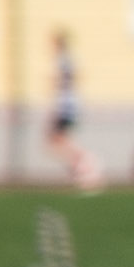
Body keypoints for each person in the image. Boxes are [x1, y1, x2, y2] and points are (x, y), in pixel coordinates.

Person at [44, 28, 99, 195]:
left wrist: (57, 86)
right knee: (57, 141)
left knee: (58, 140)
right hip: (66, 105)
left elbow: (69, 79)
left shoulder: (64, 60)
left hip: (66, 106)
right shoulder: (65, 59)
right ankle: (79, 168)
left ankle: (85, 162)